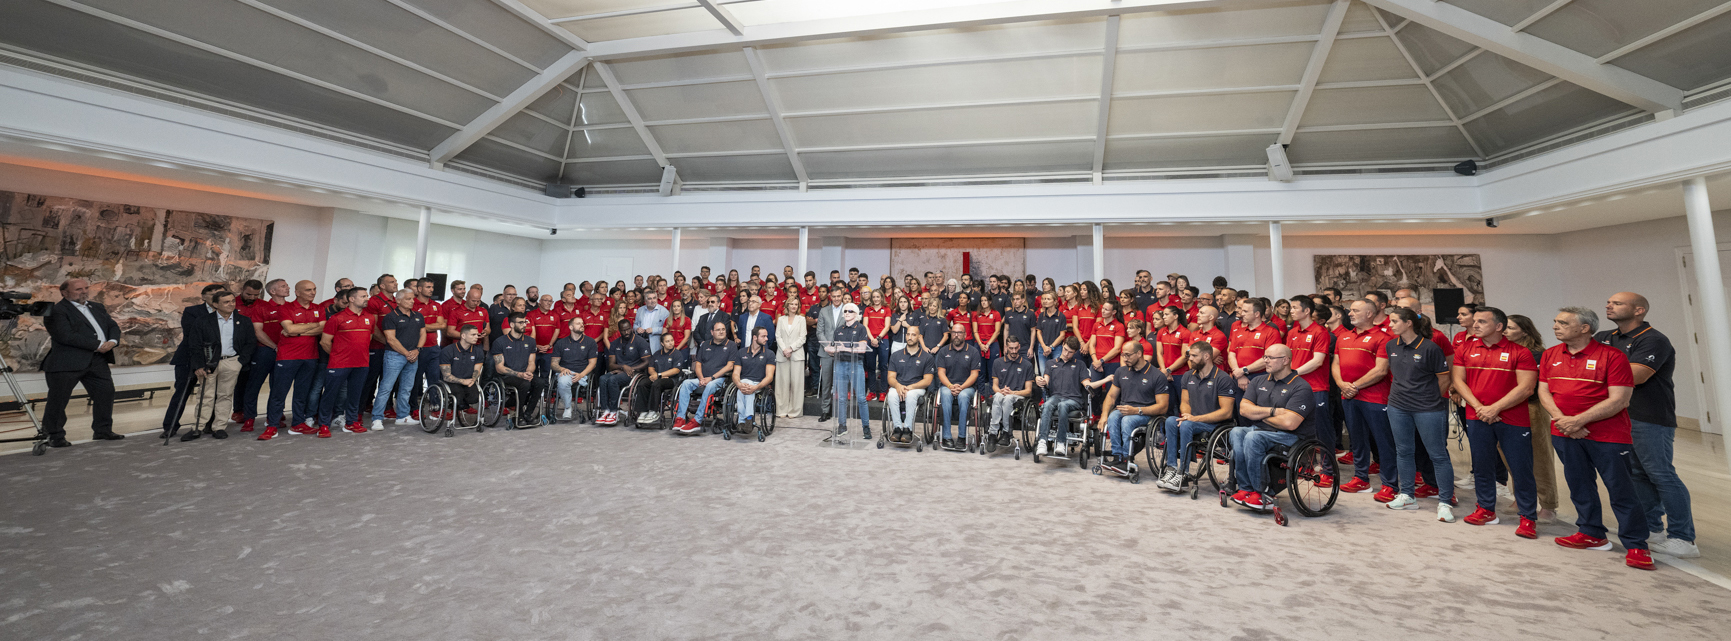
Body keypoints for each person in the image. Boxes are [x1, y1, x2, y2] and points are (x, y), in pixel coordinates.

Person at [1539, 307, 1653, 571]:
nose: (1556, 326)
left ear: (1585, 328)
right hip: (1564, 431)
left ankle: (1637, 544)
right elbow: (1544, 392)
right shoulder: (1550, 354)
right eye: (1555, 321)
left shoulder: (1612, 356)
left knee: (1621, 489)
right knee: (1579, 485)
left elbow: (1620, 399)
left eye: (1563, 323)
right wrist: (1563, 420)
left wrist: (1578, 421)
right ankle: (1591, 533)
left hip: (1608, 435)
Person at [1597, 292, 1696, 558]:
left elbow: (1636, 376)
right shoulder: (1605, 337)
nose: (1609, 305)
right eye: (1609, 301)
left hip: (1649, 415)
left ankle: (1683, 537)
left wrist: (1592, 372)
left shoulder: (1654, 339)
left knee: (1661, 474)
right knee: (1636, 474)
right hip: (1618, 416)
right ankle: (1652, 528)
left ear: (1639, 310)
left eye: (1617, 302)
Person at [1451, 306, 1541, 537]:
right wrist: (1480, 407)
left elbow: (1527, 387)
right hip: (1477, 415)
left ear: (1499, 327)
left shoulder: (1520, 352)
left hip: (1512, 419)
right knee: (1482, 466)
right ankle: (1486, 509)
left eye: (1482, 321)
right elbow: (1459, 381)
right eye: (1476, 321)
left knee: (1521, 469)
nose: (1476, 325)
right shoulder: (1465, 349)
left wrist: (1495, 408)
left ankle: (1528, 517)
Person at [1382, 307, 1457, 521]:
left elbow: (1444, 378)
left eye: (1395, 321)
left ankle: (1444, 502)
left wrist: (1429, 399)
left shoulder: (1430, 348)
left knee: (1438, 455)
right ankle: (1407, 495)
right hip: (1398, 406)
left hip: (1428, 408)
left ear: (1408, 323)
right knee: (1404, 451)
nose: (1390, 325)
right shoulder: (1390, 346)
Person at [1227, 345, 1315, 511]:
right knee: (1237, 431)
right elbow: (1244, 410)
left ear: (1285, 360)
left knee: (1253, 437)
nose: (1265, 360)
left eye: (1270, 358)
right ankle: (1246, 488)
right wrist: (1273, 412)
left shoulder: (1301, 387)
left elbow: (1290, 423)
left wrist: (1258, 414)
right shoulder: (1259, 381)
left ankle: (1262, 492)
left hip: (1291, 436)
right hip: (1263, 431)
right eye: (1265, 357)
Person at [41, 278, 123, 446]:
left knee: (105, 394)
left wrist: (113, 341)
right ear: (64, 293)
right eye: (78, 289)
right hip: (67, 362)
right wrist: (98, 345)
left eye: (86, 288)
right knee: (58, 400)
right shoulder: (57, 311)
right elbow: (65, 335)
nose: (84, 291)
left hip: (97, 361)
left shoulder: (97, 307)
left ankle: (103, 430)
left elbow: (113, 326)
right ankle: (54, 436)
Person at [1155, 342, 1237, 491]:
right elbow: (1185, 402)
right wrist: (1187, 414)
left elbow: (1226, 412)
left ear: (1206, 356)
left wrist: (1194, 419)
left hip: (1216, 425)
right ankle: (1172, 468)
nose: (1189, 359)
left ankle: (1184, 473)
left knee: (1187, 424)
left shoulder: (1223, 378)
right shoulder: (1188, 376)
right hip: (1194, 421)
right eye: (1189, 355)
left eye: (1194, 355)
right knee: (1171, 421)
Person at [177, 290, 255, 441]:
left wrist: (240, 361)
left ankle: (219, 427)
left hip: (232, 362)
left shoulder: (244, 320)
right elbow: (195, 345)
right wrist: (198, 365)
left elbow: (250, 343)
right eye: (226, 302)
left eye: (232, 301)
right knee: (205, 395)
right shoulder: (203, 321)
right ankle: (197, 428)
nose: (231, 304)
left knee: (225, 395)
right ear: (215, 304)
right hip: (208, 363)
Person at [1335, 299, 1394, 498]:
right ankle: (1361, 478)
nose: (1349, 313)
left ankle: (1390, 484)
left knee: (1383, 441)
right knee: (1357, 440)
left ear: (1369, 314)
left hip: (1375, 397)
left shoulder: (1383, 337)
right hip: (1348, 396)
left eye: (1355, 310)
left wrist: (1355, 386)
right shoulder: (1343, 337)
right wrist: (1342, 385)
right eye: (1350, 310)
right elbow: (1335, 364)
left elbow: (1381, 370)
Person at [1505, 314, 1562, 521]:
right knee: (1510, 456)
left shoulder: (1538, 354)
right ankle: (1521, 498)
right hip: (1503, 408)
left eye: (1511, 328)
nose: (1505, 331)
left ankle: (1548, 506)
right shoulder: (1503, 351)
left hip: (1531, 408)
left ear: (1525, 331)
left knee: (1539, 457)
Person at [261, 281, 325, 440]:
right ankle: (272, 426)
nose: (312, 292)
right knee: (279, 392)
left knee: (302, 393)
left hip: (310, 356)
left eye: (314, 289)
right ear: (297, 292)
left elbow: (323, 328)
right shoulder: (286, 308)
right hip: (288, 356)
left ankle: (297, 424)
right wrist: (310, 327)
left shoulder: (318, 308)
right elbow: (289, 329)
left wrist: (298, 330)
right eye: (308, 290)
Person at [161, 284, 225, 436]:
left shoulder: (228, 313)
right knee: (182, 393)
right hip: (189, 358)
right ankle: (170, 427)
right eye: (213, 294)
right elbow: (192, 334)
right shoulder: (193, 311)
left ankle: (208, 425)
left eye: (221, 294)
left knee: (213, 394)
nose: (217, 297)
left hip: (214, 359)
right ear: (203, 296)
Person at [1096, 342, 1169, 475]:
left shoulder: (1157, 375)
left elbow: (1163, 407)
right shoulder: (1121, 371)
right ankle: (1117, 455)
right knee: (1113, 416)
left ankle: (1126, 459)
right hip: (1126, 409)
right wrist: (1104, 415)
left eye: (1128, 355)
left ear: (1139, 354)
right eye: (1123, 355)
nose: (1125, 358)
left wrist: (1137, 410)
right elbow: (1111, 396)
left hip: (1145, 412)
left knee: (1127, 421)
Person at [1285, 296, 1336, 486]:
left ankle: (1328, 471)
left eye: (1295, 307)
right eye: (1290, 307)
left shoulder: (1320, 332)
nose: (1291, 310)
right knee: (1300, 429)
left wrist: (1293, 373)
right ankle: (1305, 466)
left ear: (1306, 311)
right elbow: (1287, 356)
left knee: (1321, 431)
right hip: (1295, 387)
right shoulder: (1292, 332)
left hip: (1316, 388)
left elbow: (1318, 361)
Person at [319, 287, 375, 436]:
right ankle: (324, 425)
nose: (366, 299)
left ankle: (351, 422)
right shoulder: (337, 318)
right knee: (330, 394)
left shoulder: (369, 317)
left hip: (362, 363)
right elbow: (325, 342)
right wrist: (338, 355)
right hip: (339, 364)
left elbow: (368, 338)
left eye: (366, 296)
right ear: (352, 299)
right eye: (363, 296)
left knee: (355, 395)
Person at [371, 289, 426, 431]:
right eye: (408, 299)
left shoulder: (418, 316)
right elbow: (390, 339)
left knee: (407, 388)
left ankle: (402, 416)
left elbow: (423, 334)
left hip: (413, 356)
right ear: (398, 300)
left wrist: (417, 350)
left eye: (412, 299)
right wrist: (407, 353)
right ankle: (377, 418)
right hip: (395, 356)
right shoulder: (391, 317)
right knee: (386, 388)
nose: (412, 301)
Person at [238, 278, 287, 432]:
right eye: (283, 286)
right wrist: (274, 346)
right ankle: (249, 419)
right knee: (254, 385)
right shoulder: (262, 307)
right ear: (272, 291)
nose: (287, 288)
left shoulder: (290, 307)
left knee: (278, 387)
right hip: (264, 351)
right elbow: (257, 332)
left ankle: (273, 417)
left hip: (285, 352)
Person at [673, 321, 736, 433]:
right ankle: (680, 418)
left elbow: (730, 366)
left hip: (720, 380)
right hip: (703, 378)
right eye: (718, 330)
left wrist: (711, 378)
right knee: (686, 383)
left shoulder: (731, 345)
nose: (721, 332)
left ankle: (697, 420)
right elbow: (698, 364)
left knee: (710, 385)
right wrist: (702, 378)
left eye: (723, 329)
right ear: (712, 332)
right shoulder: (705, 345)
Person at [1034, 337, 1088, 458]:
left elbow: (1087, 384)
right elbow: (1046, 380)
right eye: (1065, 349)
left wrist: (1105, 380)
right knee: (1047, 404)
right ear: (1062, 345)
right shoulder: (1050, 363)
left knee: (1063, 405)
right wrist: (1039, 380)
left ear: (1075, 353)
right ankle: (1042, 441)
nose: (1066, 354)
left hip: (1074, 399)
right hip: (1056, 396)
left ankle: (1061, 442)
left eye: (1070, 352)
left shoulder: (1080, 364)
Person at [933, 320, 982, 449]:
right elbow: (941, 373)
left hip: (967, 387)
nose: (956, 335)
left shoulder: (973, 352)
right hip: (947, 386)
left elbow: (974, 375)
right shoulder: (943, 351)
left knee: (963, 396)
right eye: (954, 332)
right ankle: (947, 437)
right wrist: (950, 386)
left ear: (965, 335)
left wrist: (961, 387)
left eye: (959, 333)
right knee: (945, 394)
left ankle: (961, 437)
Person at [826, 303, 872, 439]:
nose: (846, 313)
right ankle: (842, 425)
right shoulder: (839, 329)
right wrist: (829, 349)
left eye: (850, 311)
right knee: (840, 397)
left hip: (855, 364)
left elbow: (862, 349)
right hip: (840, 364)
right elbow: (832, 346)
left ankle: (866, 427)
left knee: (861, 398)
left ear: (856, 314)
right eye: (845, 311)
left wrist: (843, 349)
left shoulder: (861, 328)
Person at [491, 312, 545, 425]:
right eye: (520, 322)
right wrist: (520, 374)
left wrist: (529, 372)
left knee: (540, 382)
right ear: (511, 324)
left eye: (525, 322)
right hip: (507, 376)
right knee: (524, 384)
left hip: (524, 374)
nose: (524, 325)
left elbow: (531, 362)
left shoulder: (530, 341)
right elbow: (499, 368)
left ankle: (528, 414)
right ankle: (519, 416)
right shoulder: (500, 342)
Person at [597, 319, 652, 427]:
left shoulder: (640, 342)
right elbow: (611, 365)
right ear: (619, 331)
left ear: (631, 328)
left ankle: (614, 411)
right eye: (623, 330)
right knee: (603, 378)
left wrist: (631, 369)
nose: (626, 332)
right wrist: (623, 367)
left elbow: (647, 362)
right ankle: (606, 410)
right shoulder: (615, 343)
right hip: (620, 370)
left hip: (636, 373)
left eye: (628, 329)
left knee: (613, 380)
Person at [886, 326, 935, 438]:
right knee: (892, 394)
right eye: (908, 334)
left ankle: (908, 429)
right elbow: (891, 377)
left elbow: (928, 381)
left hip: (917, 388)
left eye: (913, 335)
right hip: (899, 386)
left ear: (919, 337)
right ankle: (897, 428)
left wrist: (910, 387)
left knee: (911, 395)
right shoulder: (896, 355)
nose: (910, 337)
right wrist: (898, 386)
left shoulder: (927, 357)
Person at [984, 334, 1033, 448]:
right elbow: (994, 386)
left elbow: (1028, 390)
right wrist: (1001, 391)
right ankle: (993, 433)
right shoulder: (998, 362)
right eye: (1011, 348)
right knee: (997, 396)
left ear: (1019, 346)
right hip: (1002, 393)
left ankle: (1006, 432)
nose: (1014, 351)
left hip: (1017, 396)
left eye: (1016, 348)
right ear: (1006, 347)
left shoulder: (1027, 365)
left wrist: (1012, 392)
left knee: (1008, 399)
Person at [550, 315, 600, 423]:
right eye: (578, 323)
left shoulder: (590, 342)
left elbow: (593, 363)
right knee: (563, 381)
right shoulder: (561, 343)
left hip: (582, 373)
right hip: (566, 373)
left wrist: (581, 375)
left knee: (566, 380)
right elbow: (554, 364)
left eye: (582, 323)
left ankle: (568, 406)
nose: (582, 325)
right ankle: (568, 408)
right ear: (571, 327)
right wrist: (561, 369)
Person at [407, 278, 446, 419]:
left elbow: (442, 325)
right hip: (418, 348)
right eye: (428, 287)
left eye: (432, 287)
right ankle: (414, 409)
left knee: (434, 379)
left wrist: (422, 326)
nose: (431, 289)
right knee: (415, 381)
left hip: (434, 348)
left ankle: (435, 407)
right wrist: (426, 326)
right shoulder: (412, 304)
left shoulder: (436, 305)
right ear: (419, 289)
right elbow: (412, 326)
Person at [814, 288, 850, 422]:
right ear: (830, 297)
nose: (836, 298)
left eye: (838, 296)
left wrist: (840, 347)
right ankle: (825, 410)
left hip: (842, 352)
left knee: (841, 383)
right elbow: (819, 332)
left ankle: (841, 411)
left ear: (842, 296)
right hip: (826, 351)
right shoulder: (824, 311)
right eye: (834, 296)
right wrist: (827, 346)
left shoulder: (848, 310)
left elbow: (850, 330)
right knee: (826, 382)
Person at [733, 326, 777, 432]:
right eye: (763, 336)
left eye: (766, 336)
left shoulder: (769, 354)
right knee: (743, 387)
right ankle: (747, 419)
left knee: (746, 388)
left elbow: (769, 376)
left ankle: (743, 420)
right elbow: (735, 373)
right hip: (743, 383)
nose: (766, 338)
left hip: (759, 384)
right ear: (754, 337)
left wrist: (756, 387)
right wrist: (739, 384)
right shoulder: (741, 352)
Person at [440, 324, 486, 423]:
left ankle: (463, 408)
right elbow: (446, 375)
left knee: (474, 398)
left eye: (477, 335)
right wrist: (462, 381)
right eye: (473, 335)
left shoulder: (478, 351)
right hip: (452, 382)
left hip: (468, 380)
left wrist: (472, 380)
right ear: (463, 336)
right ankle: (457, 410)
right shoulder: (448, 350)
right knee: (458, 396)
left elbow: (477, 370)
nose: (476, 337)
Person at [639, 333, 689, 423]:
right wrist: (655, 375)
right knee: (643, 383)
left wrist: (659, 375)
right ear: (662, 343)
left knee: (657, 384)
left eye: (671, 341)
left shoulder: (677, 354)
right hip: (658, 378)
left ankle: (654, 411)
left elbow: (676, 370)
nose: (670, 343)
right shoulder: (657, 354)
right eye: (667, 341)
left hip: (672, 380)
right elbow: (650, 368)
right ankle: (643, 411)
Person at [774, 297, 807, 418]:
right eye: (791, 304)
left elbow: (803, 337)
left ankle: (795, 411)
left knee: (796, 384)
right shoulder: (781, 319)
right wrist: (784, 349)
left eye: (796, 304)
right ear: (787, 306)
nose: (793, 306)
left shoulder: (801, 319)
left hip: (796, 354)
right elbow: (778, 336)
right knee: (781, 384)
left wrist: (791, 348)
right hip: (782, 354)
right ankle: (781, 410)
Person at [863, 291, 892, 402]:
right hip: (870, 340)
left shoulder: (887, 309)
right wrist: (872, 339)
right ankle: (872, 392)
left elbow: (887, 326)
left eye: (878, 297)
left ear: (881, 297)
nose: (875, 299)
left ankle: (883, 392)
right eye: (874, 297)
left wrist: (878, 338)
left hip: (883, 340)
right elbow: (865, 325)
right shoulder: (867, 309)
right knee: (870, 367)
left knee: (883, 367)